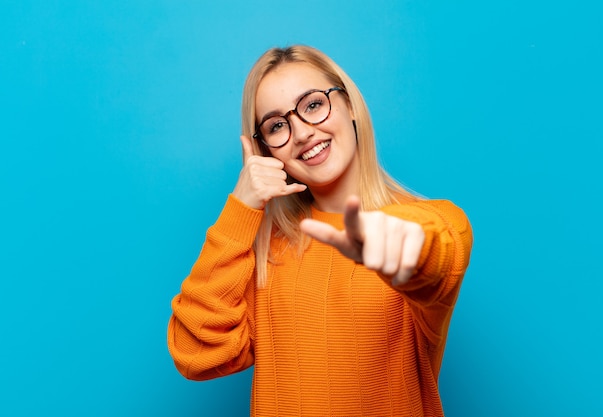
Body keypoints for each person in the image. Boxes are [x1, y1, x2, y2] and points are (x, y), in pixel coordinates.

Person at [167, 45, 473, 416]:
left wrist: (404, 249)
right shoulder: (262, 258)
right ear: (265, 152)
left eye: (312, 104)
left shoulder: (436, 222)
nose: (301, 133)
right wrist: (241, 207)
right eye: (277, 125)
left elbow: (437, 255)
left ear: (349, 105)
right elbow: (196, 355)